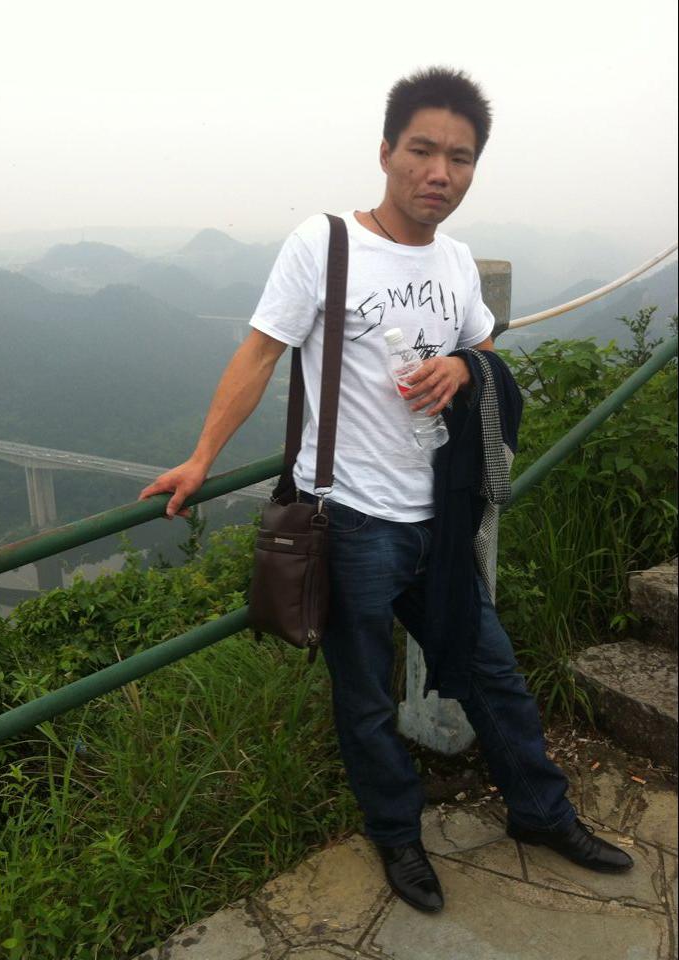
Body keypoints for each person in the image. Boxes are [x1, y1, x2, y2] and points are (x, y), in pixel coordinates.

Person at [139, 67, 634, 914]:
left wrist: (464, 365)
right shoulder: (325, 243)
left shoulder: (457, 261)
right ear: (386, 152)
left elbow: (484, 353)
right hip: (351, 521)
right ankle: (398, 835)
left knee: (494, 674)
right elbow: (260, 353)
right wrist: (200, 457)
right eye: (422, 150)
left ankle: (540, 812)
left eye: (460, 158)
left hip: (438, 517)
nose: (439, 172)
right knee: (366, 697)